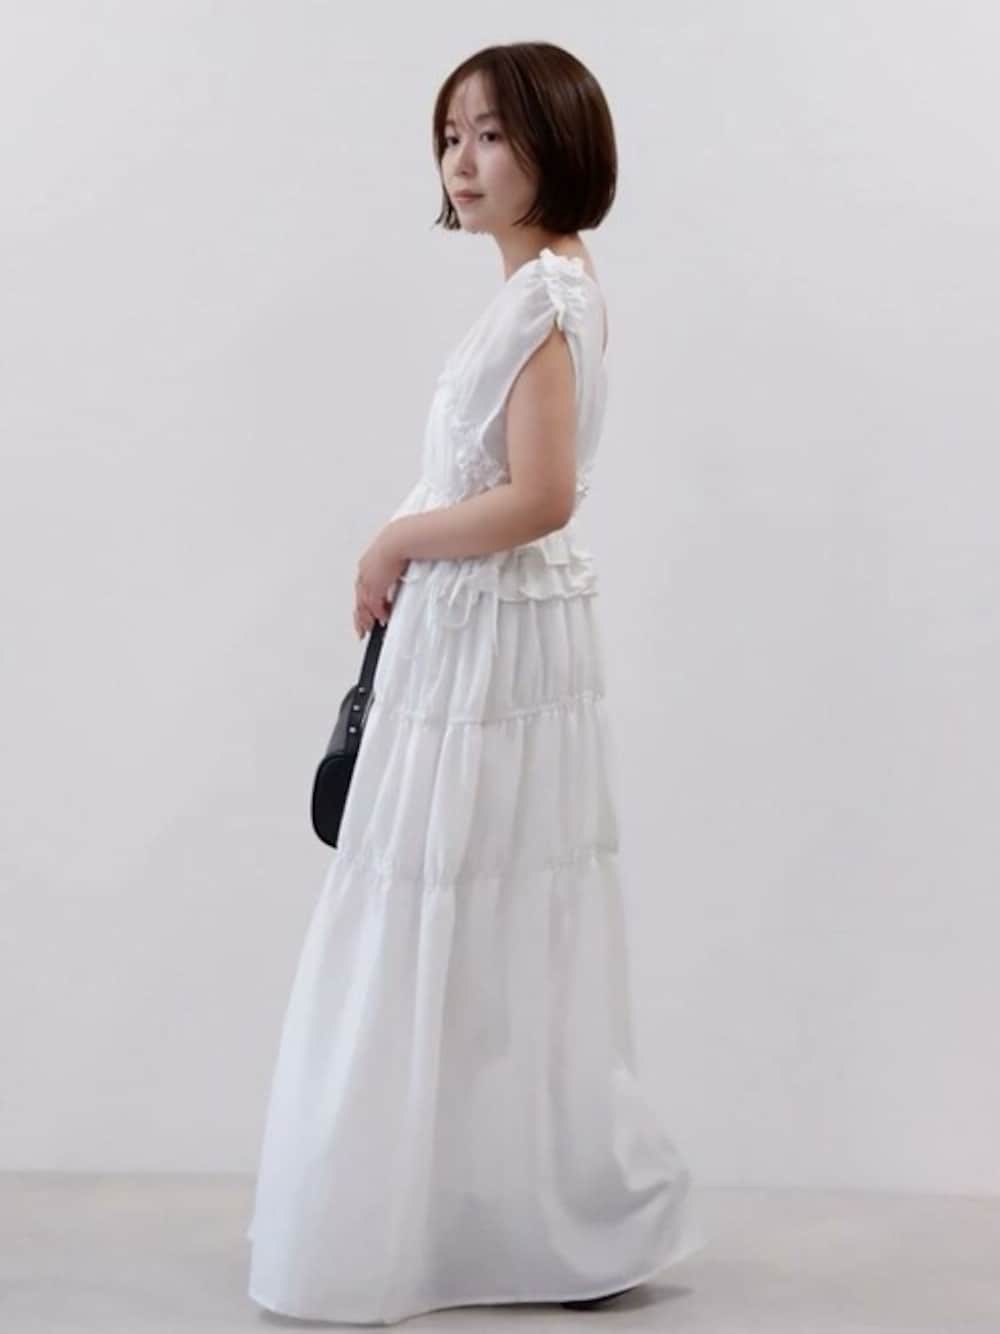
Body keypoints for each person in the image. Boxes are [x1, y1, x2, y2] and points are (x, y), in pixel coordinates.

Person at [246, 40, 707, 1325]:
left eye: (492, 133)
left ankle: (459, 1220)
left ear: (556, 144)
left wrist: (393, 540)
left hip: (493, 649)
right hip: (478, 641)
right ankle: (468, 1212)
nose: (462, 159)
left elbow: (542, 496)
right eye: (451, 134)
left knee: (454, 911)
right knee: (466, 918)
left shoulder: (545, 296)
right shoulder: (543, 287)